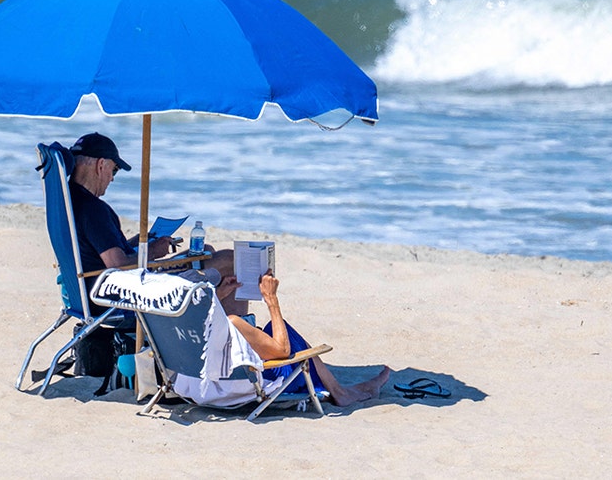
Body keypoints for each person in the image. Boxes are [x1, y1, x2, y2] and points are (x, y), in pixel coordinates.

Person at [66, 132, 246, 314]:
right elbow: (117, 265)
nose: (112, 178)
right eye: (114, 170)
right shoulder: (93, 209)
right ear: (100, 165)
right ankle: (237, 332)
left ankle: (219, 325)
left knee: (206, 251)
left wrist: (133, 243)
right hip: (126, 296)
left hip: (98, 290)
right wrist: (152, 251)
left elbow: (96, 254)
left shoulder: (69, 202)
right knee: (231, 261)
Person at [217, 271, 390, 407]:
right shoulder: (233, 322)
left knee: (269, 331)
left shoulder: (195, 323)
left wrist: (218, 296)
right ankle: (340, 393)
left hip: (214, 386)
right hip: (260, 385)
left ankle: (338, 390)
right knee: (281, 331)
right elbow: (282, 350)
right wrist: (271, 300)